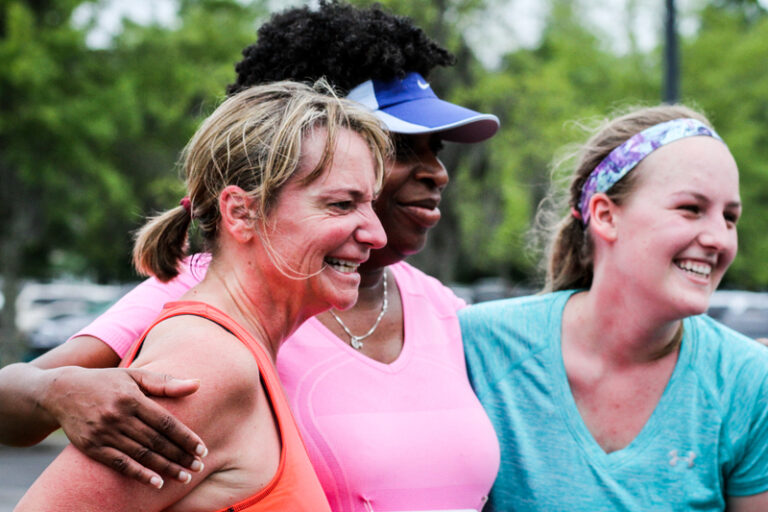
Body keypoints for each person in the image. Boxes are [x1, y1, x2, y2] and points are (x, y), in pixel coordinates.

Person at [1, 2, 501, 511]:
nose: (438, 171)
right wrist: (58, 389)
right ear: (245, 209)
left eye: (437, 148)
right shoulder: (207, 314)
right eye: (403, 146)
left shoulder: (440, 307)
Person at [16, 79, 389, 511]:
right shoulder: (208, 365)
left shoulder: (239, 354)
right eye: (342, 204)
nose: (376, 235)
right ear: (240, 212)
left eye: (371, 205)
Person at [461, 104, 768, 511]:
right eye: (690, 209)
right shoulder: (479, 347)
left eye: (730, 218)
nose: (719, 238)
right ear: (605, 216)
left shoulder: (747, 381)